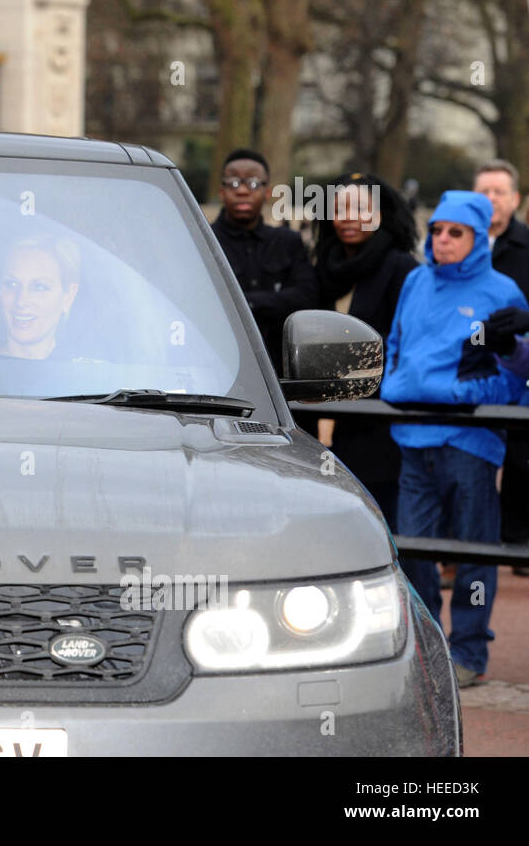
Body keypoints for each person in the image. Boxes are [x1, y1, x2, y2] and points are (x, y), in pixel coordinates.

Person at [381, 190, 529, 687]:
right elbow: (396, 344)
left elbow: (515, 379)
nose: (441, 239)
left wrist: (459, 393)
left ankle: (468, 652)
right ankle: (426, 648)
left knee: (475, 556)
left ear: (480, 237)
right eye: (437, 229)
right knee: (414, 552)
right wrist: (401, 384)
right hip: (412, 438)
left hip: (470, 444)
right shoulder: (415, 281)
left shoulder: (503, 291)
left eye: (455, 232)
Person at [313, 173, 418, 529]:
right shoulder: (323, 266)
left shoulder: (401, 267)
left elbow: (405, 343)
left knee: (378, 520)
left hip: (376, 419)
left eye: (360, 208)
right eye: (339, 209)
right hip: (319, 413)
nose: (348, 217)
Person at [209, 148, 317, 368]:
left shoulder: (288, 242)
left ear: (268, 192)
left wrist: (245, 302)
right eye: (234, 183)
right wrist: (272, 301)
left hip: (279, 367)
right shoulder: (204, 243)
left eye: (254, 183)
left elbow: (307, 295)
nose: (243, 191)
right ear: (222, 191)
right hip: (219, 362)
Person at [474, 159, 529, 572]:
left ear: (516, 200)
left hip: (519, 365)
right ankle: (465, 547)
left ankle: (518, 538)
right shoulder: (454, 241)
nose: (491, 199)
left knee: (521, 452)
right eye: (484, 191)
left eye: (498, 192)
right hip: (470, 365)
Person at [0, 234, 80, 359]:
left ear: (68, 296)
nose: (21, 300)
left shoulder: (91, 374)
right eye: (12, 284)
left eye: (39, 287)